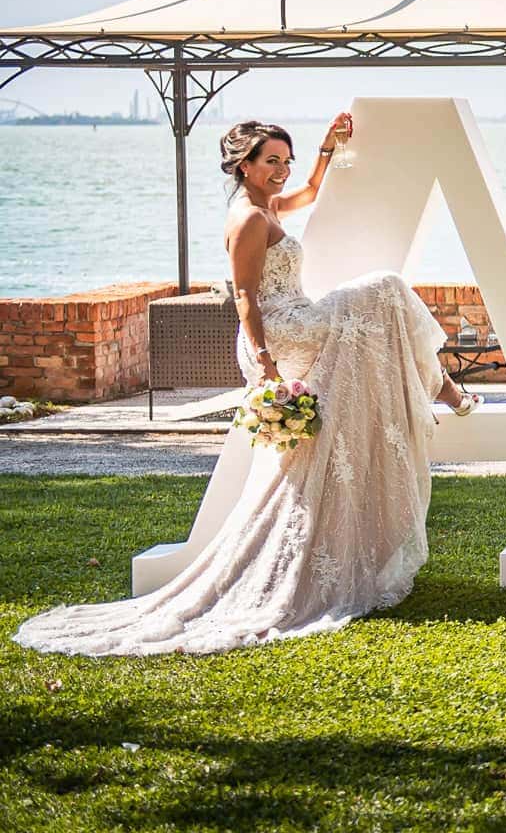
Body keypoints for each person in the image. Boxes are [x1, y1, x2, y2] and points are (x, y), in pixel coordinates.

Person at [13, 113, 480, 656]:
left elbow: (307, 192)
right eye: (271, 161)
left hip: (295, 319)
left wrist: (326, 150)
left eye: (285, 159)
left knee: (382, 304)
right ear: (244, 164)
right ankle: (445, 387)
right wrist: (265, 364)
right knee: (384, 290)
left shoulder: (264, 204)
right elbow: (245, 298)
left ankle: (443, 386)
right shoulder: (248, 219)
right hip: (281, 330)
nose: (282, 170)